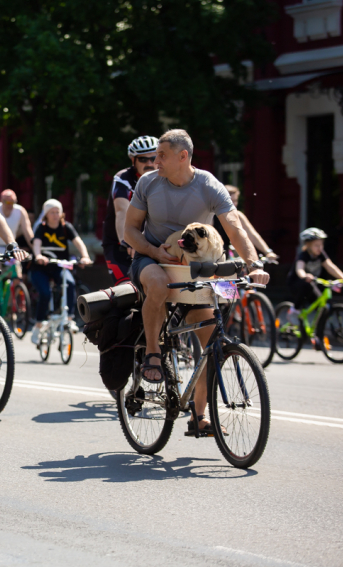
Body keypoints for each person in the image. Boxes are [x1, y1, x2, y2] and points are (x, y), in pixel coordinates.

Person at [123, 129, 269, 436]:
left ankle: (198, 417)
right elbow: (130, 232)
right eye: (153, 156)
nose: (154, 161)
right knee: (158, 284)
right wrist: (153, 249)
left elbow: (234, 228)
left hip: (195, 268)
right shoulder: (147, 183)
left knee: (211, 341)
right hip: (152, 259)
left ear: (183, 156)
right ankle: (152, 350)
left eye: (161, 155)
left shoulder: (208, 185)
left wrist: (254, 264)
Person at [30, 199, 93, 342]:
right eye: (52, 212)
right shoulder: (42, 227)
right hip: (41, 268)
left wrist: (85, 256)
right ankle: (38, 325)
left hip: (59, 266)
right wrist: (38, 255)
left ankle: (69, 319)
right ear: (46, 214)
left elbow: (78, 242)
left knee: (70, 284)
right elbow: (37, 244)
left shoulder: (66, 227)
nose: (55, 215)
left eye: (57, 212)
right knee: (45, 293)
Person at [101, 136, 159, 284]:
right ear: (133, 160)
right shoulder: (123, 179)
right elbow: (122, 211)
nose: (149, 163)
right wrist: (127, 241)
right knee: (126, 291)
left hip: (150, 243)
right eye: (143, 159)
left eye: (153, 158)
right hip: (119, 244)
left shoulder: (164, 178)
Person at [0, 189, 34, 294]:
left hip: (9, 247)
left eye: (12, 202)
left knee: (17, 272)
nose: (9, 204)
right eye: (7, 202)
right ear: (1, 200)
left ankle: (15, 304)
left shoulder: (20, 211)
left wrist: (35, 249)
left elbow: (28, 231)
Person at [287, 228, 343, 309]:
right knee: (306, 286)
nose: (320, 248)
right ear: (308, 245)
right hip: (297, 283)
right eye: (317, 245)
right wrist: (305, 276)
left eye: (321, 245)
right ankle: (295, 310)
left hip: (314, 283)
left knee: (325, 305)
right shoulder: (304, 255)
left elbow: (330, 266)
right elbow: (299, 269)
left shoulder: (321, 254)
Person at [214, 185, 279, 260]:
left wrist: (267, 251)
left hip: (227, 256)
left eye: (235, 201)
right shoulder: (212, 215)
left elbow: (253, 235)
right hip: (213, 257)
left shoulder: (238, 216)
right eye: (230, 201)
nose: (233, 204)